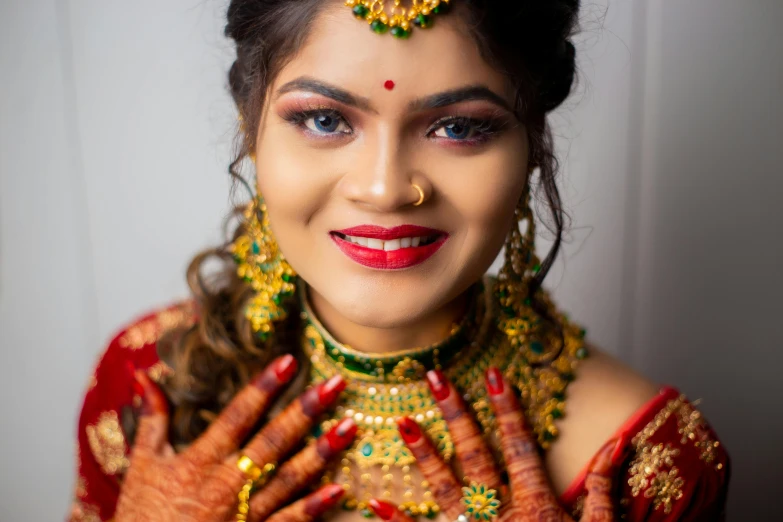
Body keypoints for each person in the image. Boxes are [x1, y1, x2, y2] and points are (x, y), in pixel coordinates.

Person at [68, 1, 730, 521]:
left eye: (459, 127)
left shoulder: (640, 459)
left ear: (530, 148)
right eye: (326, 120)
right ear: (251, 131)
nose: (384, 188)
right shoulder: (150, 382)